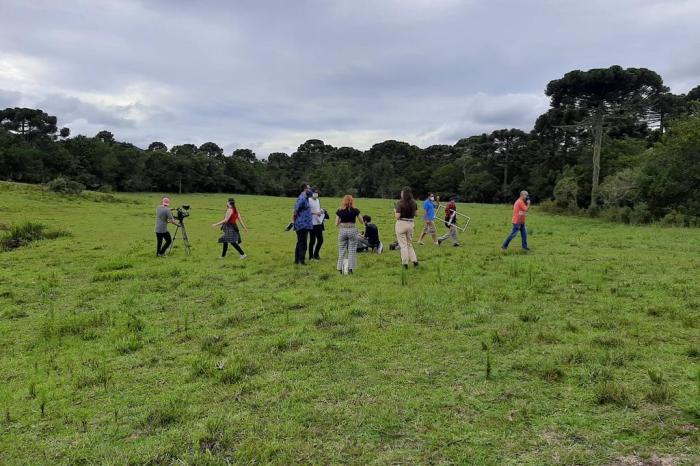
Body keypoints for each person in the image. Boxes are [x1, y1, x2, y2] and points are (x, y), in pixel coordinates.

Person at [335, 194, 364, 274]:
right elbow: (361, 221)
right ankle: (350, 269)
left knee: (341, 250)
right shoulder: (355, 210)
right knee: (352, 250)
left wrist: (342, 220)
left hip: (343, 230)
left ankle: (340, 268)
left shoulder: (339, 211)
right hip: (352, 230)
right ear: (352, 201)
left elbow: (336, 223)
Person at [394, 187, 419, 269]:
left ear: (403, 194)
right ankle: (415, 261)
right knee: (409, 244)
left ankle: (405, 263)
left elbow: (397, 216)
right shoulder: (414, 202)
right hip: (411, 223)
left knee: (403, 245)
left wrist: (395, 211)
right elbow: (417, 214)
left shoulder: (400, 203)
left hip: (401, 223)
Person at [292, 184, 313, 265]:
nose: (310, 189)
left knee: (300, 242)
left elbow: (311, 194)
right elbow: (295, 210)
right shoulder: (302, 198)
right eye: (309, 188)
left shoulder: (306, 198)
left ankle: (297, 260)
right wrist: (295, 221)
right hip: (301, 224)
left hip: (304, 224)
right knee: (303, 243)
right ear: (305, 189)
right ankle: (301, 261)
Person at [307, 187, 325, 260]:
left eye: (317, 192)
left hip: (318, 222)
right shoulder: (308, 200)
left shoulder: (318, 200)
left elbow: (318, 209)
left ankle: (316, 254)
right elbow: (307, 211)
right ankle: (311, 256)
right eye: (315, 192)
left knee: (320, 240)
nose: (316, 194)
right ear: (312, 193)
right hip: (311, 223)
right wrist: (315, 213)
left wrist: (321, 211)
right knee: (312, 240)